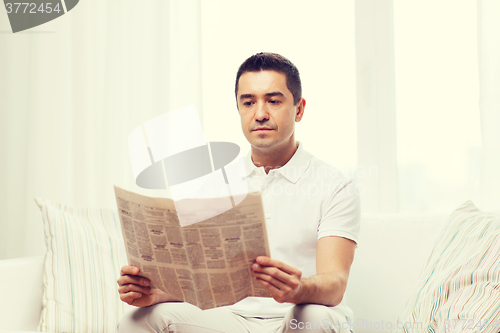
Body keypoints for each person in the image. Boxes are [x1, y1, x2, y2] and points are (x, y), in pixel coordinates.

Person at [117, 52, 360, 333]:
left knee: (312, 318)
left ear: (299, 109)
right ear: (239, 109)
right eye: (248, 102)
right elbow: (201, 283)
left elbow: (335, 283)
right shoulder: (216, 183)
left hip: (298, 317)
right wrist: (153, 293)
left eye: (273, 100)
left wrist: (299, 289)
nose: (260, 114)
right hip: (231, 320)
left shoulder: (335, 185)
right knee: (138, 319)